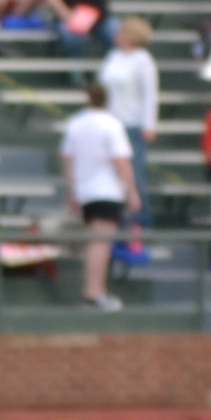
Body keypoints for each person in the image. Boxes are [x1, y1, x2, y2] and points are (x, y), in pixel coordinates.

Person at [54, 74, 134, 310]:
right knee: (101, 242)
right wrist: (132, 190)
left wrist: (72, 190)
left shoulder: (76, 124)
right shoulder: (111, 124)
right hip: (106, 191)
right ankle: (93, 292)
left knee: (95, 241)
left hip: (86, 191)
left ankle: (94, 291)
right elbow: (121, 161)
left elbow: (67, 160)